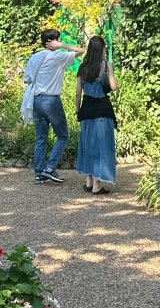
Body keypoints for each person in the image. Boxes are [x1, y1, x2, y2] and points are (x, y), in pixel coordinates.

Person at [24, 29, 84, 185]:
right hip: (51, 100)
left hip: (36, 100)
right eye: (58, 40)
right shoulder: (58, 56)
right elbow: (81, 51)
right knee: (63, 136)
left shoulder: (34, 57)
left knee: (40, 138)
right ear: (53, 41)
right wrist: (63, 45)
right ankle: (49, 168)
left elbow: (27, 79)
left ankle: (39, 174)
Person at [75, 35, 118, 194]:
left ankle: (88, 181)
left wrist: (78, 109)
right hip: (102, 110)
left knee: (87, 144)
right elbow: (113, 87)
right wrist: (115, 83)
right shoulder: (106, 65)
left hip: (86, 110)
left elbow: (78, 93)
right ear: (102, 49)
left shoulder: (82, 67)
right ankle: (96, 185)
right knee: (101, 146)